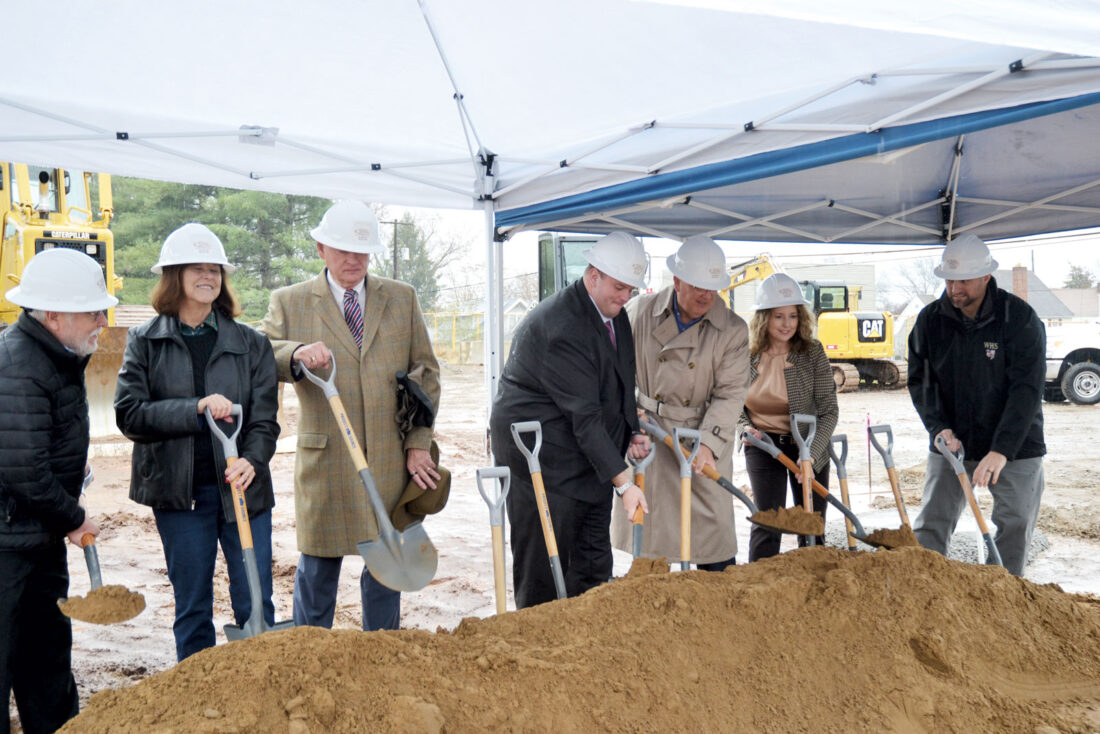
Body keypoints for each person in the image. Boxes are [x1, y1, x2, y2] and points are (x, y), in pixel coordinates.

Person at [258, 200, 441, 631]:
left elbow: (426, 374)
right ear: (321, 248)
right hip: (328, 460)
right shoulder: (290, 302)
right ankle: (310, 653)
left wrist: (417, 444)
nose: (353, 260)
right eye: (342, 250)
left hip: (389, 455)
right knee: (318, 570)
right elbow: (259, 353)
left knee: (385, 569)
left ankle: (380, 656)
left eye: (361, 252)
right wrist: (295, 353)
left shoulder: (401, 298)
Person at [114, 223, 280, 662]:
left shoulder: (251, 344)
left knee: (256, 601)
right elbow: (129, 414)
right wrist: (195, 408)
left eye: (215, 269)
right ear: (174, 276)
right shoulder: (145, 340)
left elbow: (264, 420)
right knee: (192, 609)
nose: (208, 277)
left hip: (243, 491)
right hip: (180, 495)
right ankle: (197, 703)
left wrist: (253, 461)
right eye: (197, 269)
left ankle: (263, 695)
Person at [490, 231, 650, 609]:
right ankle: (538, 640)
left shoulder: (612, 313)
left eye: (631, 290)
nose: (625, 297)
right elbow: (585, 415)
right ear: (593, 275)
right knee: (548, 558)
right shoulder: (563, 326)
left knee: (592, 554)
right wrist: (625, 484)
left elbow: (621, 380)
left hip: (584, 451)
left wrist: (631, 430)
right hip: (541, 454)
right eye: (619, 287)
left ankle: (588, 641)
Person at [0, 248, 114, 733]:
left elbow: (32, 444)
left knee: (46, 662)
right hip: (7, 545)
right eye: (92, 311)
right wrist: (72, 517)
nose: (102, 321)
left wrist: (71, 464)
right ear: (52, 314)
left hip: (34, 540)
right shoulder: (18, 365)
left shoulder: (55, 355)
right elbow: (22, 468)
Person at [908, 234, 1045, 576]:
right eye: (950, 280)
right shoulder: (929, 321)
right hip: (953, 439)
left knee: (1015, 521)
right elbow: (921, 382)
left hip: (1016, 444)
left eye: (964, 280)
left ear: (986, 277)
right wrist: (938, 428)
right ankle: (927, 589)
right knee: (931, 521)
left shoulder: (1019, 318)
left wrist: (1001, 450)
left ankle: (1004, 591)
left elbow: (1026, 390)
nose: (955, 288)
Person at [610, 235, 750, 570]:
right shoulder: (639, 312)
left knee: (710, 540)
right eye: (698, 285)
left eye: (712, 287)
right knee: (651, 538)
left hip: (699, 439)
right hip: (650, 436)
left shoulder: (732, 329)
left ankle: (715, 607)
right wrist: (631, 418)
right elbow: (615, 371)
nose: (706, 295)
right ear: (676, 280)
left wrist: (710, 444)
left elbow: (730, 393)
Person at [739, 272, 838, 561]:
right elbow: (734, 405)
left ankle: (812, 588)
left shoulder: (812, 353)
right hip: (763, 445)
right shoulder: (748, 356)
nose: (787, 324)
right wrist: (746, 429)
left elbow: (829, 410)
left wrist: (809, 455)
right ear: (764, 319)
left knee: (810, 525)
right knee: (769, 523)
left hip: (807, 446)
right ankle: (758, 587)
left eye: (793, 316)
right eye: (778, 316)